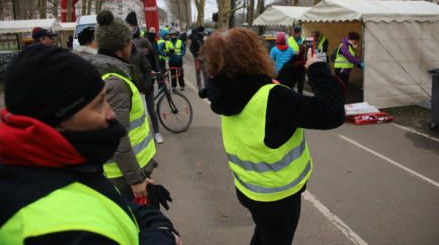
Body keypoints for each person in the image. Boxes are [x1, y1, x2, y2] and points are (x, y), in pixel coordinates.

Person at [0, 44, 181, 244]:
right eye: (98, 103)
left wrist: (156, 222)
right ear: (59, 117)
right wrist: (163, 236)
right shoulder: (51, 229)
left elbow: (108, 203)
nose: (110, 113)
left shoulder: (59, 164)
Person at [199, 28, 345, 245]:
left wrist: (295, 64)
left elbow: (263, 88)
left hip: (249, 189)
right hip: (277, 197)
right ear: (253, 53)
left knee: (264, 235)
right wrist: (318, 70)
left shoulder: (223, 88)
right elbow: (332, 112)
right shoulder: (272, 99)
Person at [81, 10, 158, 201]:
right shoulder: (115, 83)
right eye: (129, 41)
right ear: (122, 45)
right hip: (124, 179)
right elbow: (118, 138)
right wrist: (136, 179)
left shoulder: (104, 72)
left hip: (125, 173)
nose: (132, 45)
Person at [136, 38, 164, 145]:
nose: (146, 53)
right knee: (141, 113)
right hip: (139, 89)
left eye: (147, 51)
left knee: (152, 111)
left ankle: (157, 133)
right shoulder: (135, 56)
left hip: (148, 87)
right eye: (144, 51)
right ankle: (145, 135)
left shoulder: (151, 54)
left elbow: (153, 68)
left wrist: (157, 74)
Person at [287, 26, 305, 94]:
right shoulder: (289, 40)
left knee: (301, 82)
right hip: (293, 65)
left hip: (301, 65)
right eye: (300, 32)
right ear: (297, 33)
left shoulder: (304, 40)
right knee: (291, 82)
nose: (301, 33)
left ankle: (300, 95)